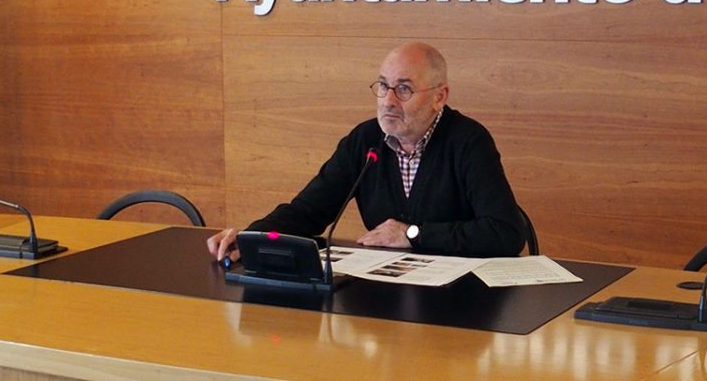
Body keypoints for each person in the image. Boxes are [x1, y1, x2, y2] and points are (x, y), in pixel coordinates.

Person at [207, 42, 526, 262]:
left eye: (404, 89)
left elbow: (505, 233)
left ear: (439, 97)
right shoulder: (366, 141)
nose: (388, 101)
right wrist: (251, 238)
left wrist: (412, 234)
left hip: (460, 304)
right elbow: (308, 211)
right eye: (383, 86)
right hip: (384, 296)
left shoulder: (468, 141)